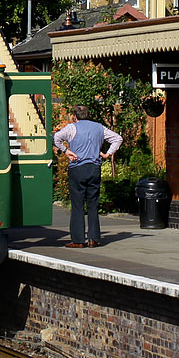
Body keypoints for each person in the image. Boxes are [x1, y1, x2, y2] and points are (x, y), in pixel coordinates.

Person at [53, 104, 123, 249]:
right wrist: (107, 154)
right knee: (93, 204)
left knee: (78, 205)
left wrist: (66, 151)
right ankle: (94, 239)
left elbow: (56, 138)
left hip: (77, 168)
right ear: (87, 114)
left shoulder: (72, 128)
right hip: (94, 168)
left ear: (74, 115)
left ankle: (78, 240)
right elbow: (118, 139)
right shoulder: (99, 128)